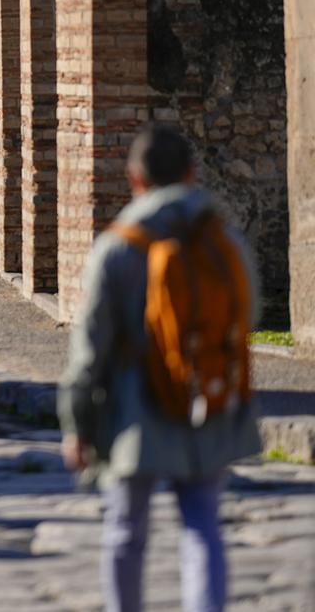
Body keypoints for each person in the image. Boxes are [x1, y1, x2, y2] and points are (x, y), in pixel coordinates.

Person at [57, 124, 261, 612]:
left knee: (127, 530)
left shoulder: (120, 245)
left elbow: (91, 346)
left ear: (135, 179)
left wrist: (77, 422)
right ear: (192, 173)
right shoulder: (224, 241)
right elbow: (246, 313)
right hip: (206, 398)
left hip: (136, 407)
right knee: (202, 526)